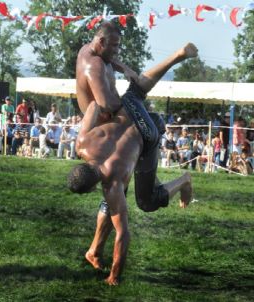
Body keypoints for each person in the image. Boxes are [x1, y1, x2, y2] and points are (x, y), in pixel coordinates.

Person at [70, 22, 197, 285]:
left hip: (146, 135)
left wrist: (114, 277)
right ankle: (94, 250)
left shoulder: (112, 184)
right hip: (128, 115)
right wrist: (116, 115)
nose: (116, 52)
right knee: (137, 89)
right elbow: (96, 106)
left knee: (146, 201)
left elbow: (123, 234)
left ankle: (185, 180)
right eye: (114, 47)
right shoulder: (82, 143)